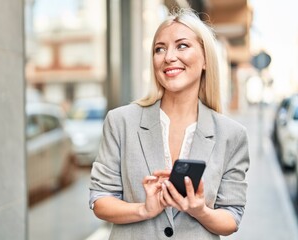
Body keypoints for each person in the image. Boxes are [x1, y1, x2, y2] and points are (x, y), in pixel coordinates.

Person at [89, 8, 250, 240]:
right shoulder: (120, 121)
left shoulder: (231, 135)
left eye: (182, 45)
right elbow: (100, 200)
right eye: (159, 49)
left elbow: (231, 217)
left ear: (205, 59)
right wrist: (143, 209)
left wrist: (200, 210)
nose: (168, 57)